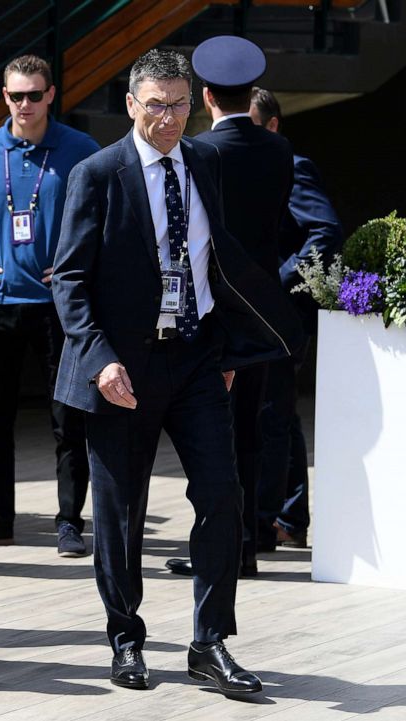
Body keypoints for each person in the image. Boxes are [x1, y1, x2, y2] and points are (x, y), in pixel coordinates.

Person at [52, 48, 303, 695]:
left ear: (195, 103)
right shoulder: (97, 174)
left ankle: (209, 639)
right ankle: (125, 638)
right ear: (132, 104)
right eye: (155, 104)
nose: (168, 117)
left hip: (194, 359)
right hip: (121, 369)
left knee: (222, 495)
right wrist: (98, 357)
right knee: (119, 512)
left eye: (179, 103)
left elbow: (221, 260)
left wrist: (229, 351)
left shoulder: (207, 162)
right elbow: (72, 282)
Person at [0, 54, 99, 556]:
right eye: (17, 95)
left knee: (68, 417)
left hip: (60, 308)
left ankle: (69, 521)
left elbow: (112, 214)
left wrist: (83, 264)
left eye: (35, 94)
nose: (26, 104)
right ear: (4, 96)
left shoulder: (79, 149)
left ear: (51, 94)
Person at [164, 36, 294, 578]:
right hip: (262, 310)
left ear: (207, 95)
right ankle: (246, 542)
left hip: (214, 308)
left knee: (211, 435)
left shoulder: (201, 152)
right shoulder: (279, 150)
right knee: (251, 431)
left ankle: (222, 547)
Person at [250, 86, 342, 549]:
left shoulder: (293, 166)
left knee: (271, 418)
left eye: (252, 126)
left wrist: (279, 281)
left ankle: (267, 523)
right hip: (253, 315)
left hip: (282, 314)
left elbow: (324, 230)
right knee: (279, 418)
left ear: (273, 126)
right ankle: (289, 517)